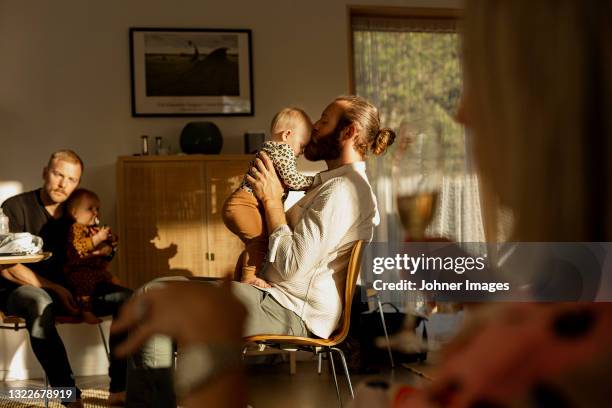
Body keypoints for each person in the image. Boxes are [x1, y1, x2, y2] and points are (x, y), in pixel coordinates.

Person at [114, 95, 396, 407]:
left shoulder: (344, 190)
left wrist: (273, 200)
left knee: (151, 300)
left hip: (293, 311)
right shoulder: (330, 184)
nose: (315, 127)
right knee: (150, 296)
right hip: (279, 296)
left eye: (324, 120)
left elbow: (292, 265)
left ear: (349, 132)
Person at [0, 150, 131, 407]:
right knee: (39, 302)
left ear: (77, 183)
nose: (63, 184)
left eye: (71, 179)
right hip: (19, 289)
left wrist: (107, 250)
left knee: (128, 299)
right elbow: (6, 267)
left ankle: (119, 389)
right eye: (58, 175)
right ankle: (69, 396)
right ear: (45, 173)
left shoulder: (77, 212)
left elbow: (88, 255)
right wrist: (55, 288)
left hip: (73, 291)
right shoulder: (14, 207)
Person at [222, 107, 314, 287]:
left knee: (254, 244)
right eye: (302, 145)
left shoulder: (267, 148)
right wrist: (316, 181)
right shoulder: (283, 150)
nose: (301, 152)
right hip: (245, 204)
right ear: (287, 134)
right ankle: (248, 278)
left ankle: (239, 277)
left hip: (239, 204)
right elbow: (292, 179)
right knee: (261, 241)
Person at [63, 188, 120, 324]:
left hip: (98, 270)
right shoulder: (76, 229)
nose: (95, 212)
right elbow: (80, 246)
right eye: (90, 209)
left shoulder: (95, 229)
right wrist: (99, 238)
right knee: (85, 286)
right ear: (74, 212)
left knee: (115, 281)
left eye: (97, 209)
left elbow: (110, 248)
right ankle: (85, 311)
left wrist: (111, 240)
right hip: (80, 270)